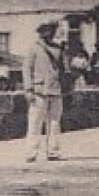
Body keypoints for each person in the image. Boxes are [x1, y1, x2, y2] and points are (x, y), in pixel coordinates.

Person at [23, 19, 68, 163]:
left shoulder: (58, 49)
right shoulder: (33, 49)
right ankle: (31, 152)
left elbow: (63, 70)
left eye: (52, 30)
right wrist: (28, 89)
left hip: (55, 90)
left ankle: (53, 151)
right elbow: (27, 69)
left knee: (55, 122)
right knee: (35, 122)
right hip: (39, 90)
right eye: (47, 30)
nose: (50, 33)